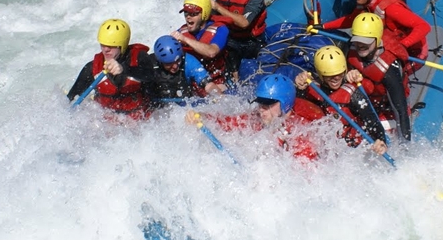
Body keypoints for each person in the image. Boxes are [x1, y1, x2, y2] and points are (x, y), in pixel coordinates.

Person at [185, 74, 320, 161]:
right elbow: (227, 123)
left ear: (285, 104)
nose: (262, 109)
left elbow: (306, 174)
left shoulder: (299, 133)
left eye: (268, 104)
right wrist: (201, 116)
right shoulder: (257, 119)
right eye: (260, 102)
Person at [318, 0, 431, 66]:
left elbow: (423, 26)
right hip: (389, 43)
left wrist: (403, 45)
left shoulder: (391, 8)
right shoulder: (365, 3)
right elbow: (351, 20)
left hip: (413, 52)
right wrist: (324, 26)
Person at [294, 45, 388, 155]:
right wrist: (299, 87)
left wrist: (381, 141)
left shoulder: (353, 94)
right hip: (326, 146)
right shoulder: (312, 88)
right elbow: (297, 108)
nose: (336, 78)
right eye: (329, 75)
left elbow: (373, 122)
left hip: (352, 149)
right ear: (321, 74)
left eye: (339, 73)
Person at [344, 13, 412, 141]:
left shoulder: (389, 69)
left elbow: (400, 110)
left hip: (386, 110)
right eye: (357, 40)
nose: (360, 45)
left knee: (360, 137)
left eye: (365, 41)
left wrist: (405, 146)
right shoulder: (351, 47)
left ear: (377, 39)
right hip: (364, 103)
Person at [66, 18, 152, 117]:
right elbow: (71, 99)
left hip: (139, 121)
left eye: (111, 45)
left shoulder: (140, 58)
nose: (106, 50)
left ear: (122, 45)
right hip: (107, 123)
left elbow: (150, 75)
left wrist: (124, 69)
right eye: (103, 44)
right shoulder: (91, 68)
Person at [210, 0, 268, 81]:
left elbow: (244, 23)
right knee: (231, 72)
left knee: (258, 70)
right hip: (232, 39)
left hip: (252, 41)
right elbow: (214, 16)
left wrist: (217, 7)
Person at [171, 0, 230, 91]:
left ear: (204, 15)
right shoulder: (181, 32)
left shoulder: (221, 29)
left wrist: (185, 39)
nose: (188, 17)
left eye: (193, 13)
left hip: (218, 81)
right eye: (186, 13)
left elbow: (212, 52)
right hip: (193, 85)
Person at [144, 35, 223, 104]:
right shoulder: (149, 64)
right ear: (160, 61)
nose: (175, 66)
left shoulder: (188, 61)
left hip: (184, 106)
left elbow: (208, 85)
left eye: (177, 60)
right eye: (169, 64)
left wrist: (220, 98)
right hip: (156, 105)